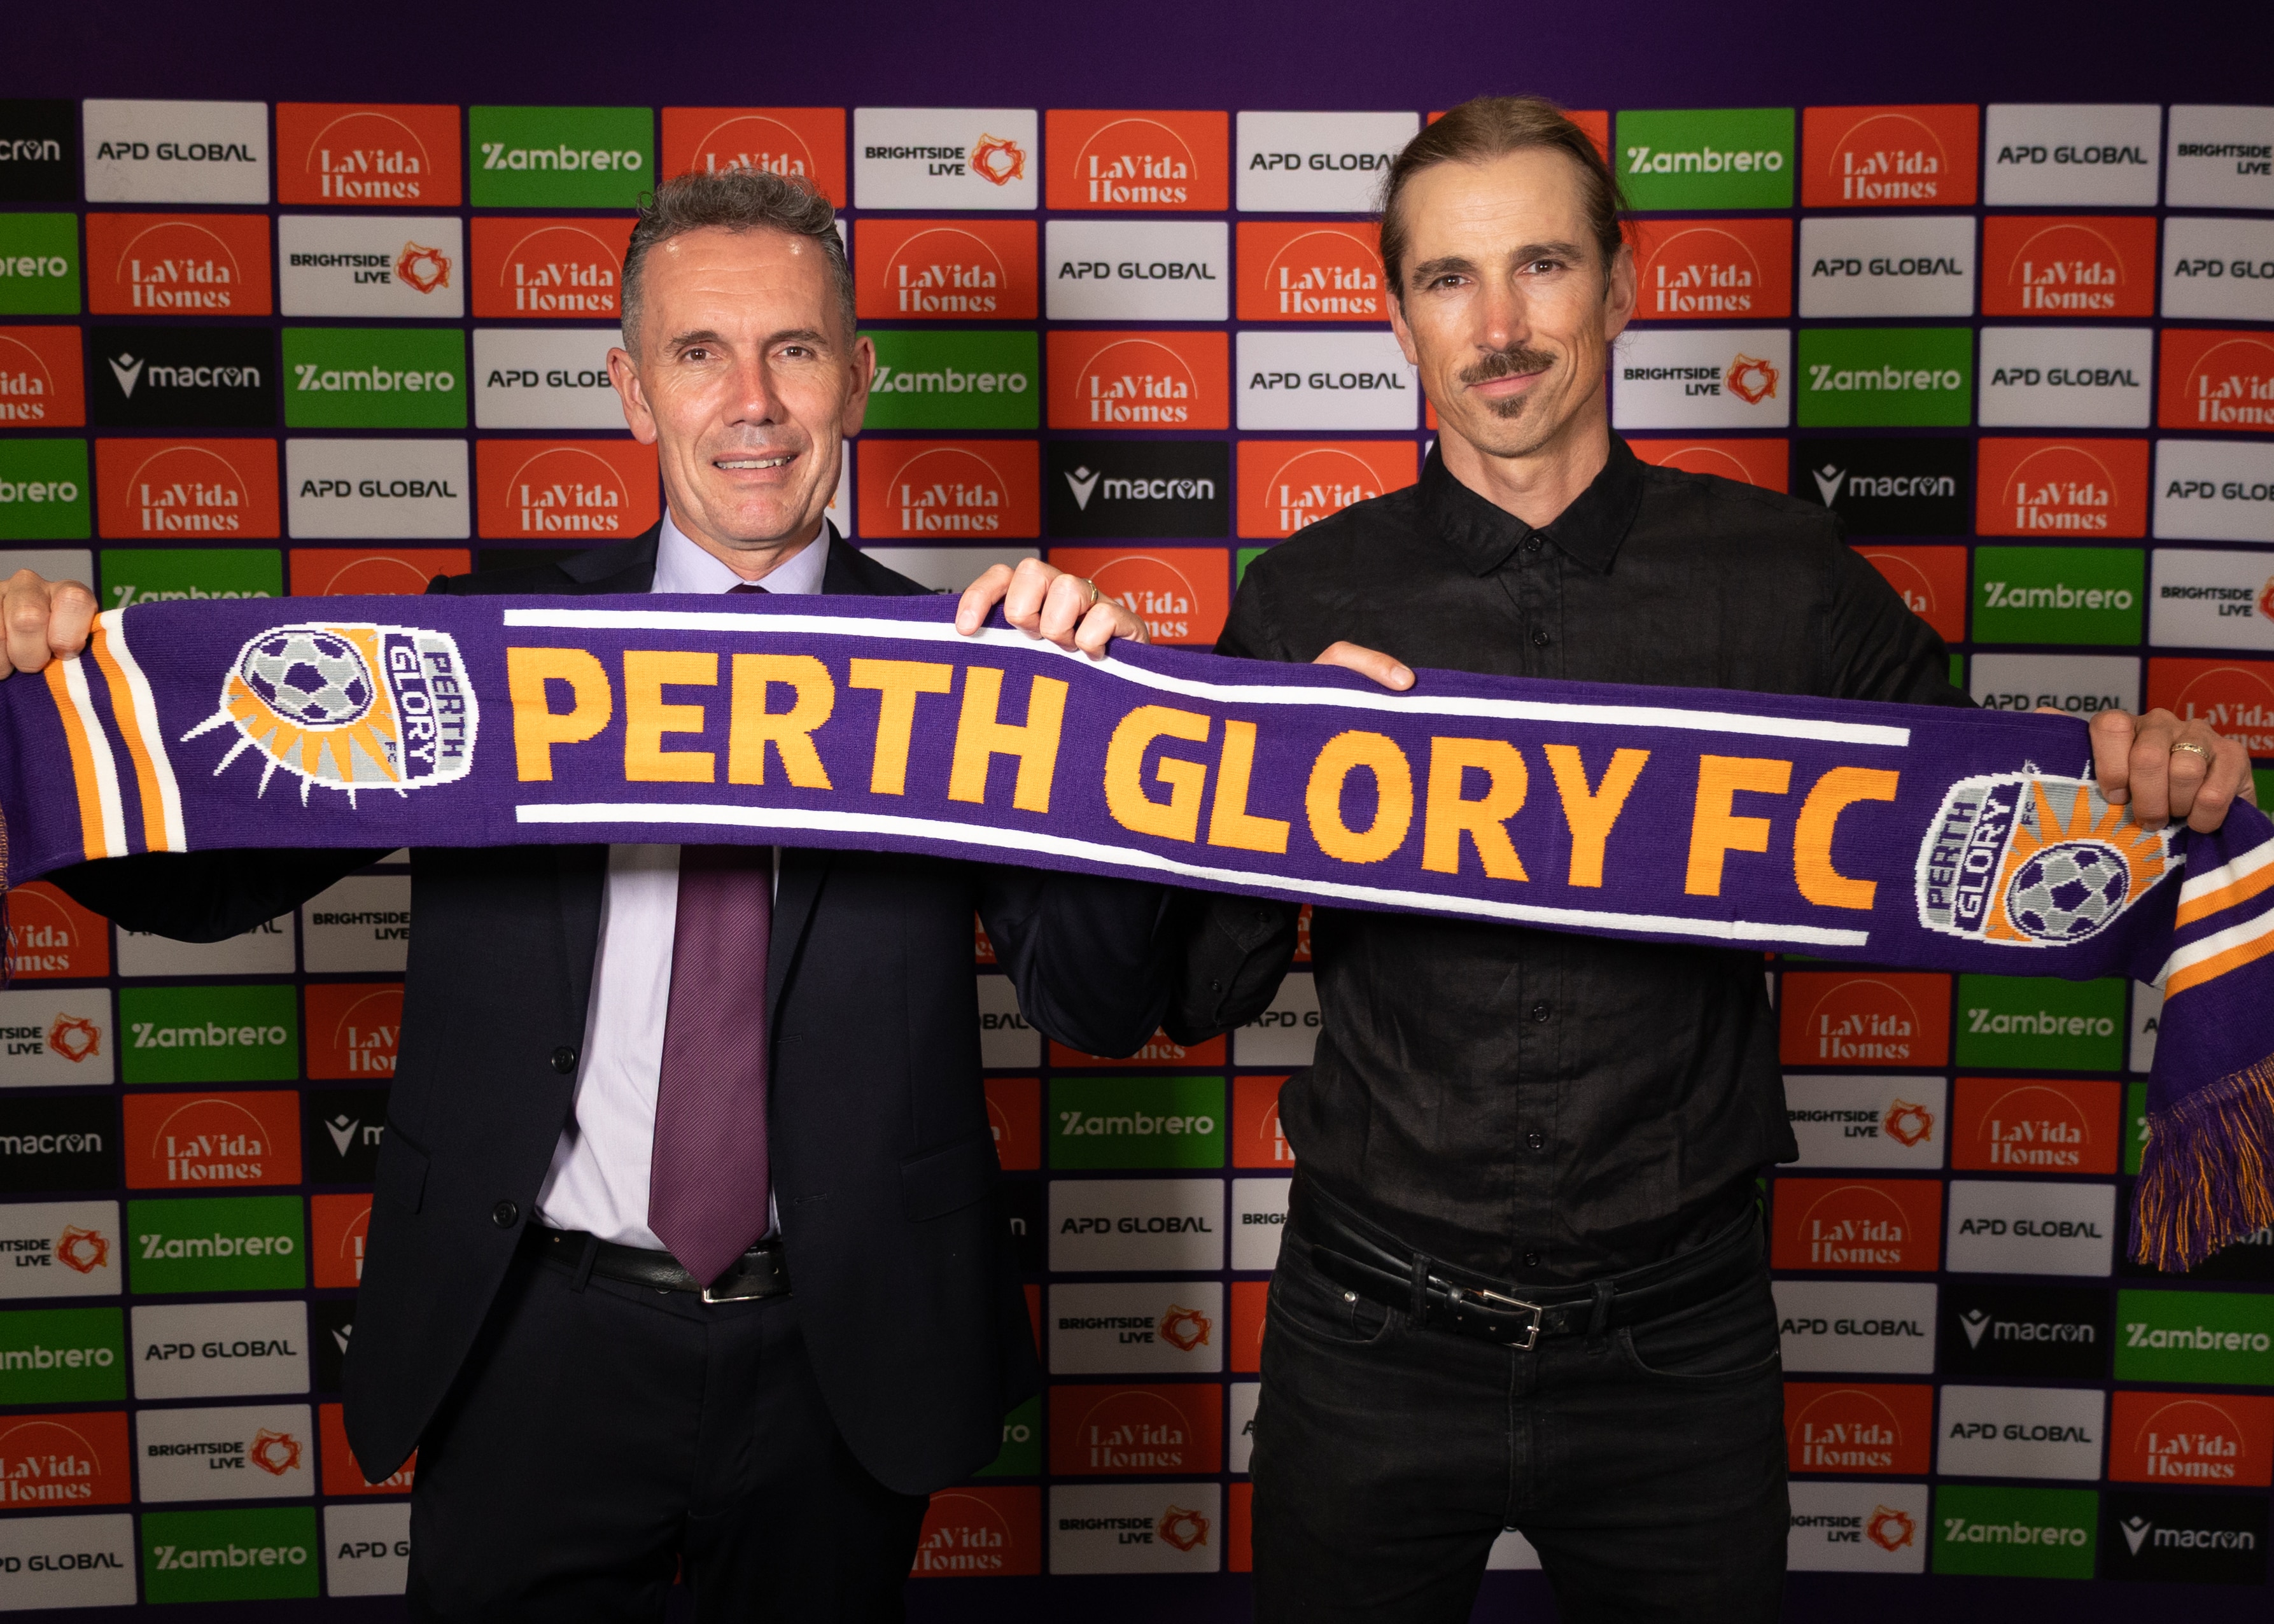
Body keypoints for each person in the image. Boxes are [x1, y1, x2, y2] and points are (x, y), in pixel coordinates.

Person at [959, 95, 2252, 1623]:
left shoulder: (1781, 576)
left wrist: (2156, 784)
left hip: (1679, 1354)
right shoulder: (1306, 595)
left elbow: (1981, 833)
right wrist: (1222, 760)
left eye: (1542, 266)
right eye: (1448, 280)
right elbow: (1182, 990)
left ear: (1622, 283)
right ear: (1395, 317)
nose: (1499, 328)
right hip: (1367, 1337)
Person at [1, 168, 1165, 1621]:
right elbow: (207, 885)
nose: (753, 403)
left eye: (795, 350)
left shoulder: (972, 671)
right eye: (699, 353)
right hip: (530, 1335)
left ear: (858, 378)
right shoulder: (481, 644)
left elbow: (1099, 1004)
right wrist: (39, 707)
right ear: (631, 390)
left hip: (845, 1349)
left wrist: (1100, 734)